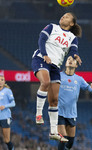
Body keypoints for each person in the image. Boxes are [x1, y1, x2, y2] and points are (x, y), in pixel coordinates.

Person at [31, 12, 82, 142]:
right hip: (41, 59)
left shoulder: (72, 37)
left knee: (54, 100)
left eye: (67, 16)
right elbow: (41, 39)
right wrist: (44, 54)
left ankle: (53, 132)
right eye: (63, 15)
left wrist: (76, 56)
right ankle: (38, 114)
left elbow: (74, 50)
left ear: (71, 24)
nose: (63, 16)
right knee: (45, 82)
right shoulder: (51, 27)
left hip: (55, 67)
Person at [58, 56, 92, 150]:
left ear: (76, 65)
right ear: (65, 63)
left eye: (73, 60)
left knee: (70, 142)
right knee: (63, 137)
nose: (70, 61)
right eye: (68, 59)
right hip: (59, 112)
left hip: (72, 114)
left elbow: (91, 90)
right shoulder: (58, 75)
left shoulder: (79, 79)